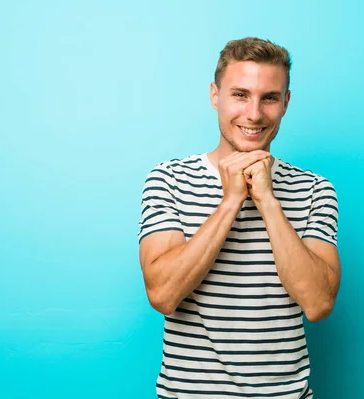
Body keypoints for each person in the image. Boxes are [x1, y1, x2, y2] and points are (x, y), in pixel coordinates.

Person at [138, 37, 341, 398]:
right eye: (240, 95)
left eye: (269, 98)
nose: (253, 114)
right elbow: (164, 295)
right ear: (215, 96)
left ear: (286, 103)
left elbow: (318, 303)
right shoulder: (168, 179)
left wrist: (266, 199)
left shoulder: (315, 189)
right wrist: (231, 201)